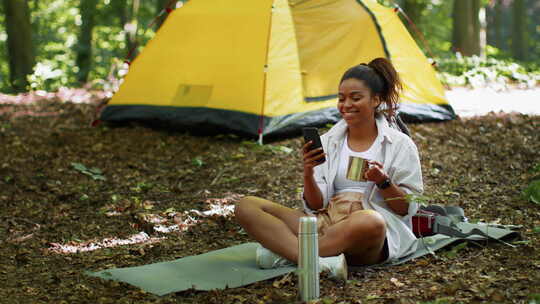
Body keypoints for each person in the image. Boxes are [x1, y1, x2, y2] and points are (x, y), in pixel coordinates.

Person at [234, 58, 423, 281]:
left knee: (371, 221)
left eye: (356, 98)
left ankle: (289, 255)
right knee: (246, 206)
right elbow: (316, 205)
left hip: (366, 234)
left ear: (376, 100)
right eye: (341, 98)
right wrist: (308, 173)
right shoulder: (329, 141)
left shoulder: (400, 144)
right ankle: (316, 260)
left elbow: (406, 209)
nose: (346, 105)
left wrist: (383, 182)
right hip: (325, 223)